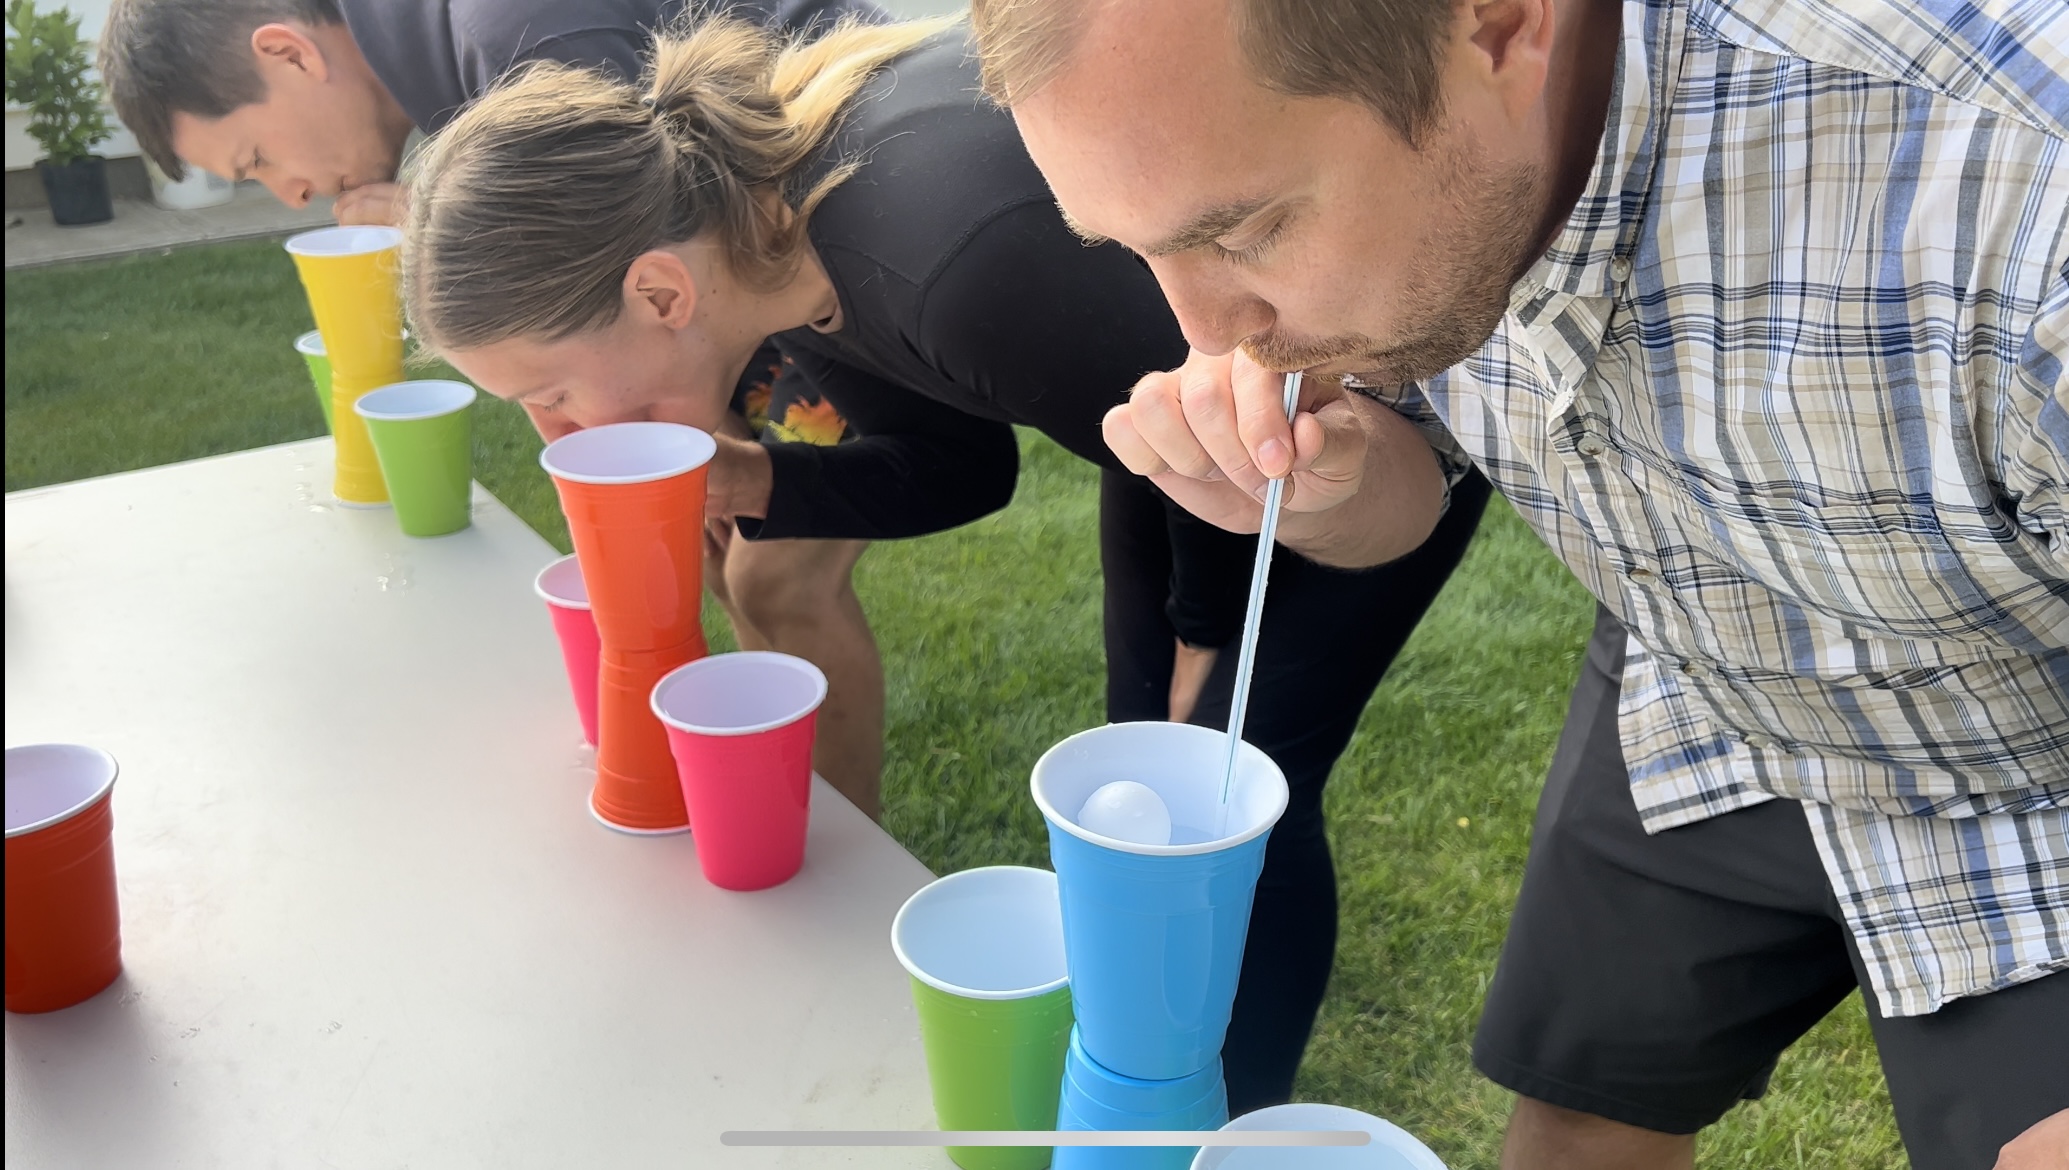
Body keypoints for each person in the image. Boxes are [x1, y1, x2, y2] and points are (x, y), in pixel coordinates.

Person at [969, 0, 2069, 1166]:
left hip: (2024, 754)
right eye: (1135, 248)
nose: (1205, 328)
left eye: (1242, 231)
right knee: (1572, 1129)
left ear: (1501, 27)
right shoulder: (1427, 145)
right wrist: (1327, 491)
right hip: (1703, 680)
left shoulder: (2022, 204)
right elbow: (1409, 489)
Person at [394, 15, 1491, 1109]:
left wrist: (1201, 631)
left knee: (1221, 792)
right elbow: (964, 465)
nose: (558, 439)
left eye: (549, 395)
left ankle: (1219, 1118)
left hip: (1355, 434)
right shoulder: (779, 260)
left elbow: (1230, 401)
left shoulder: (944, 258)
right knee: (1144, 761)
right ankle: (1157, 1069)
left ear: (661, 296)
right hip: (1166, 433)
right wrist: (758, 482)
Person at [95, 0, 906, 812]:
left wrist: (698, 447)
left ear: (289, 54)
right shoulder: (451, 53)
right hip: (737, 276)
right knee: (713, 549)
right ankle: (764, 788)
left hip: (862, 244)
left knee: (777, 574)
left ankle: (839, 877)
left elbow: (657, 257)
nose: (291, 191)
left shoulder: (520, 34)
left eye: (258, 157)